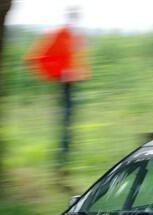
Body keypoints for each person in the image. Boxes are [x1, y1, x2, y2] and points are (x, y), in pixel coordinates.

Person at [25, 7, 90, 167]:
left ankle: (67, 152)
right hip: (63, 84)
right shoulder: (59, 34)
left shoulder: (78, 36)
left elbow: (79, 59)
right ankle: (62, 157)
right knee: (65, 118)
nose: (74, 19)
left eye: (76, 16)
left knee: (70, 119)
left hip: (73, 84)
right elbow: (36, 58)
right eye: (72, 16)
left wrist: (81, 73)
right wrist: (60, 73)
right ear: (68, 17)